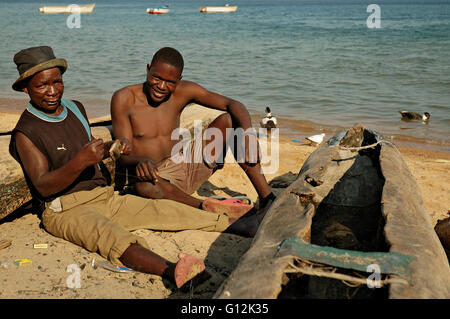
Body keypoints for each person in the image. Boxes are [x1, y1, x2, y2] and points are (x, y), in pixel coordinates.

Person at [8, 46, 265, 289]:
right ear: (25, 90)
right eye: (42, 85)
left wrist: (112, 146)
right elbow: (42, 184)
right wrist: (81, 161)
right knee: (110, 236)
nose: (52, 91)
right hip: (64, 208)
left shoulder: (76, 108)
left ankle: (241, 226)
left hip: (104, 196)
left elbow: (83, 148)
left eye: (57, 82)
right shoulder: (26, 132)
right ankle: (172, 269)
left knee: (162, 210)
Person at [111, 47, 276, 216]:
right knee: (143, 186)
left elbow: (233, 104)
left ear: (179, 80)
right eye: (156, 77)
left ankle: (267, 198)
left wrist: (247, 136)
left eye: (170, 82)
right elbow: (122, 153)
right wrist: (141, 160)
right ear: (147, 69)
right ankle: (204, 206)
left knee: (231, 120)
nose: (161, 86)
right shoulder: (124, 98)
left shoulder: (184, 91)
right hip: (156, 177)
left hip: (185, 163)